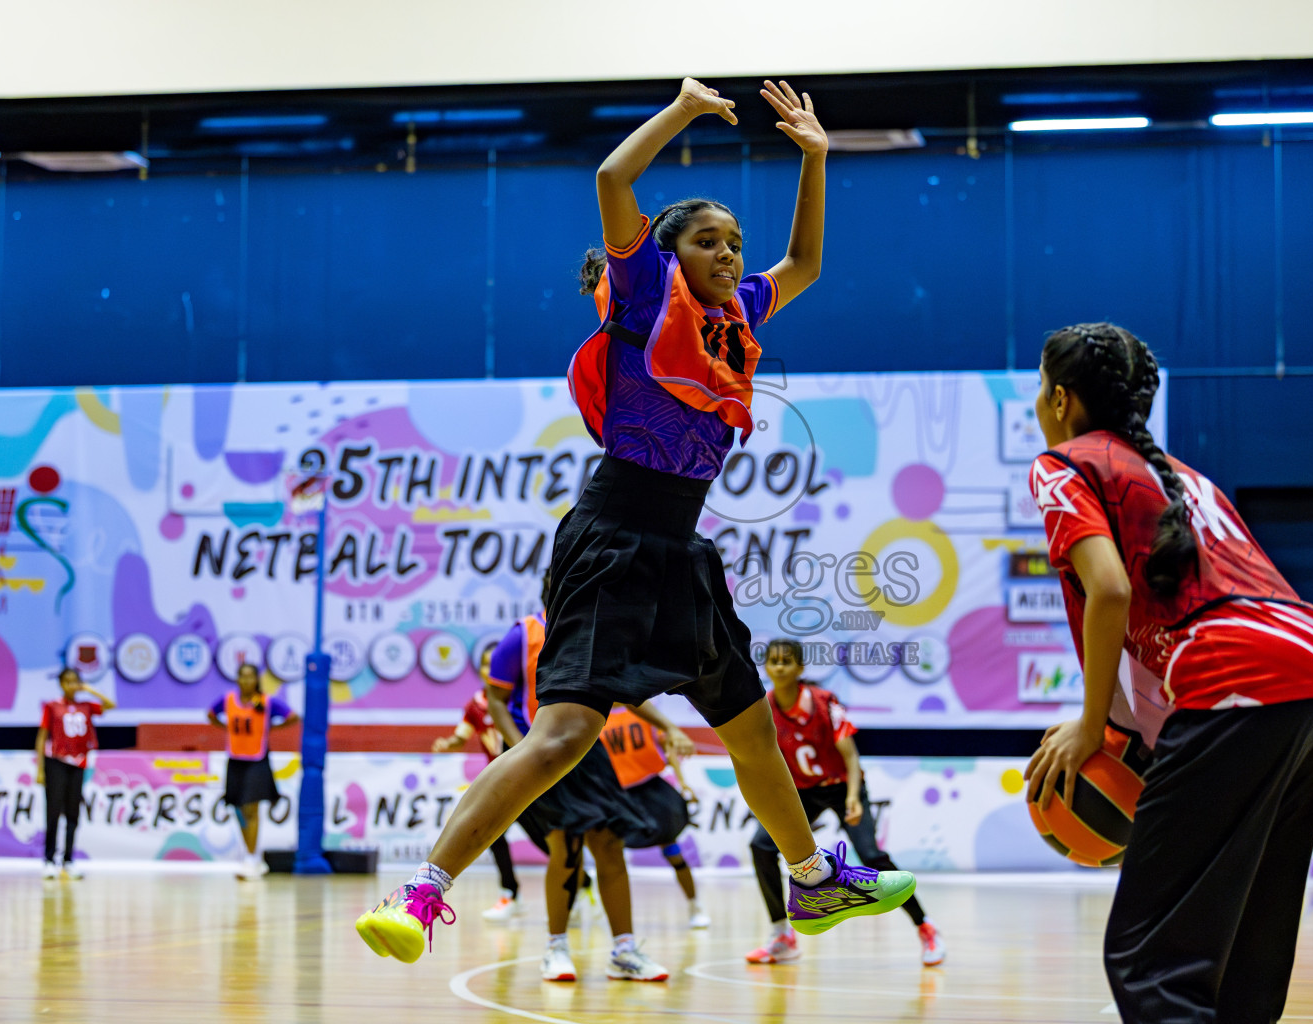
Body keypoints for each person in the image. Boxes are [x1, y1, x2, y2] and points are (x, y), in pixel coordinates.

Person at [355, 75, 915, 968]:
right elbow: (615, 180)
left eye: (735, 242)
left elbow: (803, 263)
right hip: (614, 536)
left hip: (681, 549)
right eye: (709, 241)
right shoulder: (647, 293)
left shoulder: (737, 315)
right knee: (565, 737)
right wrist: (685, 112)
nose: (730, 255)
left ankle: (811, 879)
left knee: (748, 722)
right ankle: (422, 894)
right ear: (670, 251)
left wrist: (814, 158)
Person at [1021, 323, 1313, 1022]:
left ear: (1059, 399)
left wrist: (1090, 729)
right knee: (1244, 958)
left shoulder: (1065, 463)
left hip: (1237, 685)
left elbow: (1111, 591)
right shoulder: (1186, 477)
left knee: (1152, 959)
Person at [482, 606, 681, 982]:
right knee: (566, 846)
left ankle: (624, 951)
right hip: (541, 751)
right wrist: (523, 749)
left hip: (590, 752)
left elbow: (629, 693)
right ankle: (556, 948)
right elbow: (496, 699)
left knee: (609, 844)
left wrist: (669, 726)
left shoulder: (599, 629)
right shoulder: (522, 635)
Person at [743, 639, 945, 967]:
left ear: (800, 668)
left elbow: (850, 755)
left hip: (841, 787)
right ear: (766, 667)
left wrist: (853, 797)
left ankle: (925, 926)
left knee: (873, 857)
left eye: (787, 661)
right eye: (773, 661)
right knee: (761, 846)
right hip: (803, 792)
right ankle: (782, 935)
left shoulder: (824, 703)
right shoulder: (764, 708)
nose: (779, 667)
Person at [431, 641, 525, 922]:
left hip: (527, 778)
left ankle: (581, 885)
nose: (489, 669)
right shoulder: (475, 705)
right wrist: (449, 743)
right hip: (499, 781)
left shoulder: (520, 698)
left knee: (548, 839)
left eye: (493, 662)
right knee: (493, 835)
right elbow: (462, 735)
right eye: (485, 663)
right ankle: (510, 893)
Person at [598, 702, 711, 928]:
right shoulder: (598, 717)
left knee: (672, 849)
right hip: (618, 796)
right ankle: (605, 909)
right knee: (608, 853)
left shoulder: (643, 712)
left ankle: (694, 905)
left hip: (651, 791)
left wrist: (683, 783)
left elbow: (668, 746)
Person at [207, 662, 299, 880]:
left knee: (252, 807)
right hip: (235, 758)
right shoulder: (228, 700)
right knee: (238, 808)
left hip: (257, 759)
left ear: (256, 679)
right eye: (242, 676)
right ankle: (250, 855)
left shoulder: (265, 702)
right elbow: (211, 714)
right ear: (237, 679)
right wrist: (226, 728)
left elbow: (292, 717)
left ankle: (252, 858)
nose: (246, 681)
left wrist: (270, 728)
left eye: (251, 677)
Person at [36, 667, 114, 879]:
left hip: (78, 763)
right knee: (53, 811)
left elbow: (111, 705)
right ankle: (49, 859)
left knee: (73, 812)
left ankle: (68, 860)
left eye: (75, 681)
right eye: (67, 682)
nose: (71, 685)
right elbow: (42, 736)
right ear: (61, 684)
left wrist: (90, 689)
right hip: (56, 761)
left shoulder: (86, 705)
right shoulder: (53, 706)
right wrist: (40, 769)